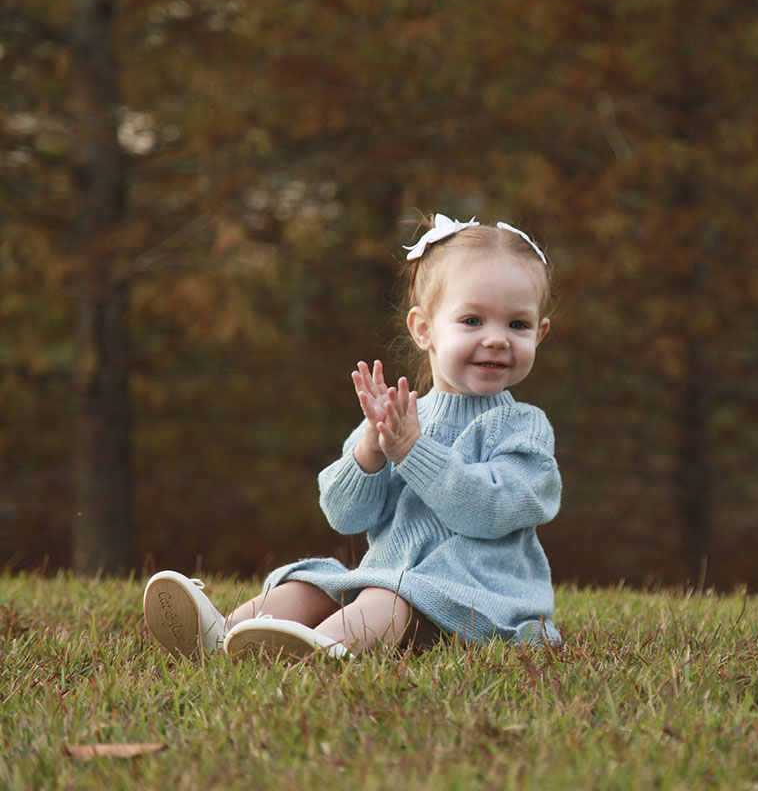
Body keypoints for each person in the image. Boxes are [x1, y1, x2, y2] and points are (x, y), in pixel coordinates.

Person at [143, 214, 562, 659]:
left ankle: (321, 653)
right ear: (424, 329)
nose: (497, 340)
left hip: (481, 601)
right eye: (473, 320)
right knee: (311, 585)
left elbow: (490, 511)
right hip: (388, 578)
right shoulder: (401, 416)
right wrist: (369, 453)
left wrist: (414, 454)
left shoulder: (523, 428)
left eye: (518, 325)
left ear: (540, 332)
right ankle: (221, 635)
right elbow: (344, 515)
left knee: (387, 598)